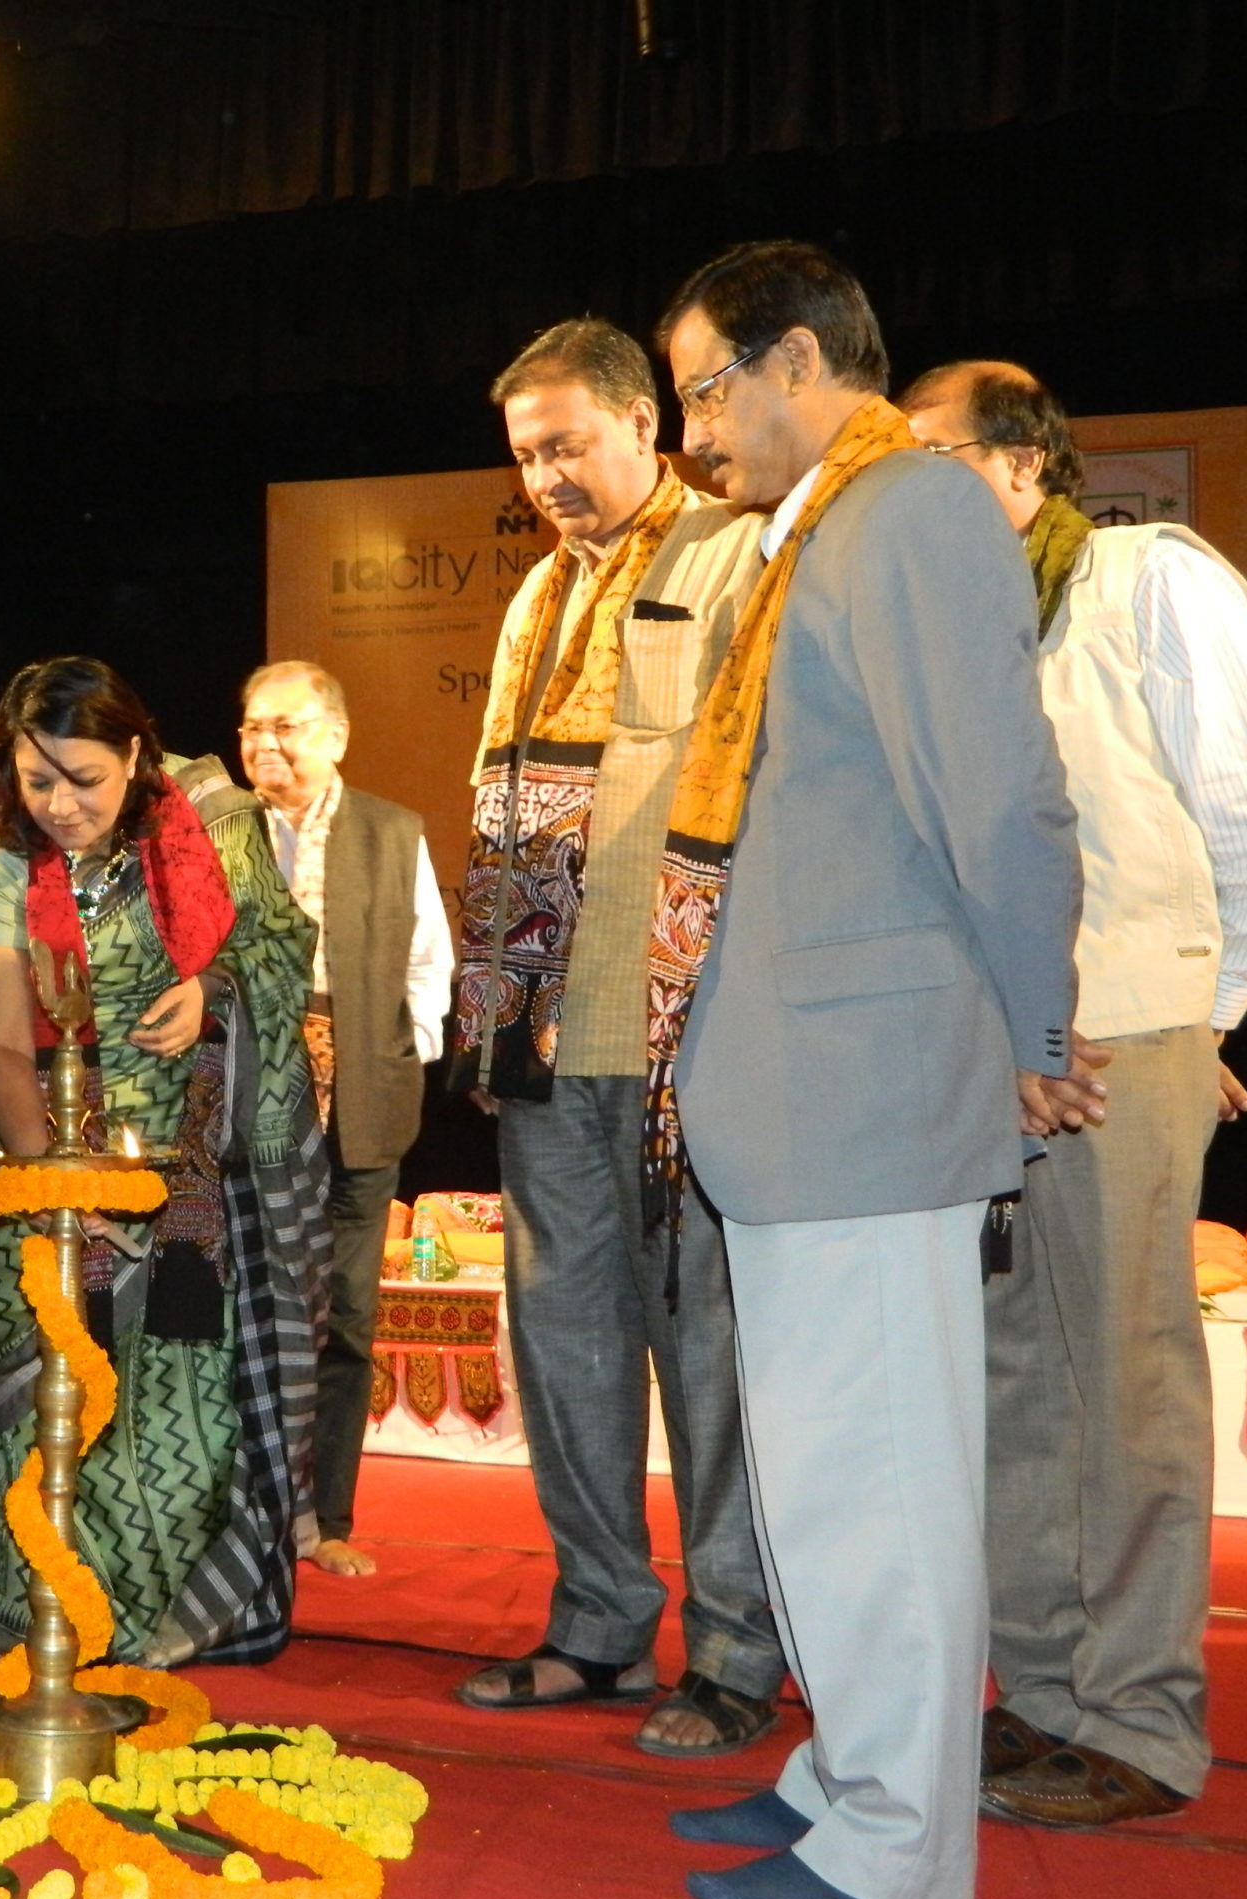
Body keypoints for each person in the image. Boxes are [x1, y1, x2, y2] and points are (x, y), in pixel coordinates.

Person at [652, 243, 1092, 1899]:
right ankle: (848, 1784)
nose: (695, 431)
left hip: (872, 1079)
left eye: (704, 389)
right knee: (823, 1477)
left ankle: (903, 1857)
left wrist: (1032, 1037)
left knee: (883, 1484)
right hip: (800, 1090)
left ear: (797, 360)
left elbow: (1001, 802)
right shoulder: (814, 531)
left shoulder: (907, 512)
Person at [900, 362, 1247, 1831]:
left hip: (1125, 1035)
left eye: (933, 455)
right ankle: (1043, 1695)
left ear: (1023, 462)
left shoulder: (1144, 581)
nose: (907, 486)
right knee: (1019, 1382)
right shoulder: (956, 623)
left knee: (1127, 1383)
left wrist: (1199, 1010)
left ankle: (1139, 1722)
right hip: (992, 1056)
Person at [440, 319, 788, 1758]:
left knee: (705, 1350)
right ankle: (596, 1625)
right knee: (565, 1347)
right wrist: (484, 1011)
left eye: (569, 445)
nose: (547, 478)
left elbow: (768, 790)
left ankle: (736, 1650)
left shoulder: (735, 556)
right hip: (541, 1040)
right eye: (527, 456)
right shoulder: (535, 595)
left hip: (677, 1038)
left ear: (647, 425)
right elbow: (501, 804)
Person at [0, 656, 326, 1672]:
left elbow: (275, 951)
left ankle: (153, 1629)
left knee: (176, 1401)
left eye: (85, 780)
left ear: (137, 755)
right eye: (37, 779)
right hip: (37, 1143)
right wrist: (56, 1184)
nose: (60, 805)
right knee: (49, 1381)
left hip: (183, 1176)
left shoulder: (212, 818)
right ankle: (27, 1616)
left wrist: (212, 992)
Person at [237, 659, 450, 1581]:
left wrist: (401, 1055)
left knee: (348, 1316)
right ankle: (242, 1514)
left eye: (283, 726)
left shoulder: (392, 831)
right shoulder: (220, 830)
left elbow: (429, 962)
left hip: (363, 1088)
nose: (264, 744)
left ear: (336, 736)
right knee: (248, 1309)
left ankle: (325, 1518)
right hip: (248, 1097)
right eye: (252, 727)